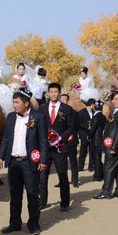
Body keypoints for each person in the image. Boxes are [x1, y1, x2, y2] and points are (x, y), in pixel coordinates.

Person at [0, 87, 48, 235]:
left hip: (29, 162)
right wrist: (0, 157)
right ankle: (14, 223)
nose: (14, 105)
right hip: (13, 162)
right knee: (15, 195)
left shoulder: (38, 117)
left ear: (26, 103)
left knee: (32, 194)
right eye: (13, 102)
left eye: (17, 102)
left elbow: (43, 141)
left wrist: (43, 160)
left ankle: (34, 224)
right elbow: (6, 138)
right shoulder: (11, 117)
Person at [38, 83, 77, 211]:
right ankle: (42, 201)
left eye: (56, 92)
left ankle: (65, 203)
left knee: (62, 175)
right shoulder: (42, 108)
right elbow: (37, 125)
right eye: (51, 92)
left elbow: (71, 127)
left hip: (60, 148)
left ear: (59, 93)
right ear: (48, 93)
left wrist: (60, 138)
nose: (53, 94)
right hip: (45, 148)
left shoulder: (66, 109)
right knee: (42, 177)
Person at [94, 89, 118, 199]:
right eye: (113, 99)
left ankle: (106, 192)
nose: (114, 101)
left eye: (117, 99)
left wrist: (114, 147)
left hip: (115, 146)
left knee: (108, 169)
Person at [59, 93, 80, 187]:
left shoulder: (73, 112)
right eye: (62, 99)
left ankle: (75, 180)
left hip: (71, 140)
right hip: (60, 141)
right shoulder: (57, 112)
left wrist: (72, 133)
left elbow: (77, 125)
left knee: (73, 161)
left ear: (68, 100)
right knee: (61, 163)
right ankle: (62, 181)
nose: (63, 100)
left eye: (65, 99)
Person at [78, 98, 96, 172]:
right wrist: (87, 128)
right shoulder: (81, 112)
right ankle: (80, 166)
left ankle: (91, 167)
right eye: (95, 105)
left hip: (92, 135)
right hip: (84, 134)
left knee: (92, 151)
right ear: (92, 105)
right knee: (83, 151)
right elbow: (79, 123)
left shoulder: (94, 112)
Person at [90, 100, 106, 181]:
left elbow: (93, 128)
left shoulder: (96, 116)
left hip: (96, 140)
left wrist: (88, 135)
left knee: (96, 158)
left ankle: (98, 175)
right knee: (97, 158)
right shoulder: (102, 116)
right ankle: (101, 173)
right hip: (100, 139)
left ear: (94, 107)